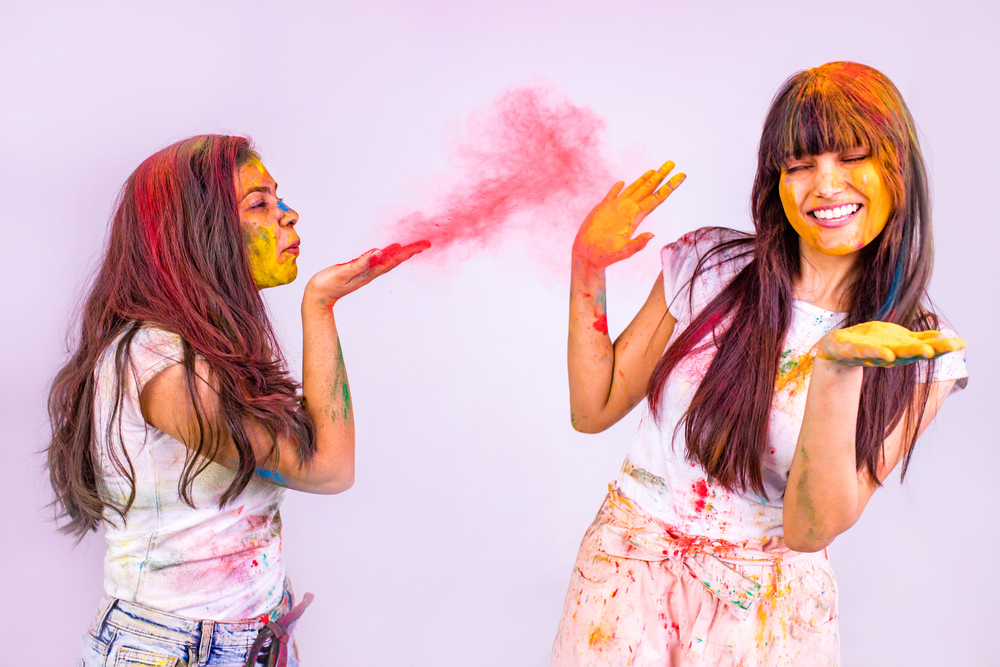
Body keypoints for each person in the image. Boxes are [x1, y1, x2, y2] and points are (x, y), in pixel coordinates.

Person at [553, 62, 967, 666]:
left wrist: (837, 369)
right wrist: (587, 267)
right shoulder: (708, 266)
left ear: (897, 169)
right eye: (799, 166)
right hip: (621, 584)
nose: (824, 186)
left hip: (769, 616)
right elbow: (591, 411)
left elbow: (809, 530)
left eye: (851, 156)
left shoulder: (918, 346)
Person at [46, 135, 427, 666]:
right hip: (174, 653)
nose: (289, 216)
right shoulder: (159, 362)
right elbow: (330, 469)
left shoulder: (205, 348)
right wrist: (320, 304)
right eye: (260, 204)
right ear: (198, 232)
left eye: (280, 198)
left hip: (252, 643)